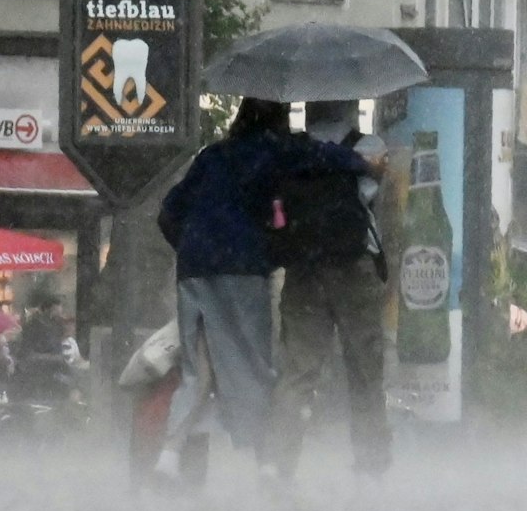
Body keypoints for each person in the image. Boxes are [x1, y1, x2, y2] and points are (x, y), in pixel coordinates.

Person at [154, 96, 374, 480]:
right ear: (276, 118)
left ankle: (167, 459)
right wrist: (363, 162)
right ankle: (265, 463)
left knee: (198, 368)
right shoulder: (272, 150)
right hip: (241, 266)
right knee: (252, 364)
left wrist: (193, 246)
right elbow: (320, 156)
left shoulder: (211, 155)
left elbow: (170, 211)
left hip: (193, 267)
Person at [265, 99, 392, 479]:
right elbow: (372, 198)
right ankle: (371, 466)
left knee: (298, 372)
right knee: (364, 369)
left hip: (304, 270)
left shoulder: (290, 151)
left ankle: (278, 465)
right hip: (354, 268)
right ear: (351, 104)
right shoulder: (368, 147)